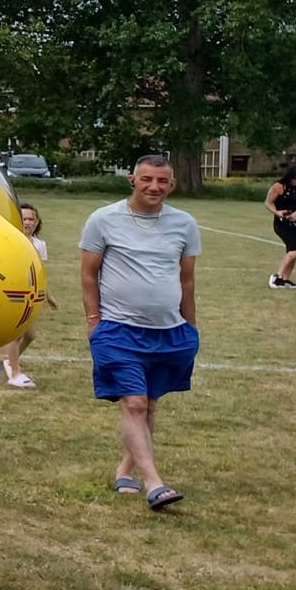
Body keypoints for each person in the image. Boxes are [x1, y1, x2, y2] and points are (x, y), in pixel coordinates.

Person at [78, 155, 201, 510]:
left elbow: (187, 279)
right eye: (147, 179)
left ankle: (125, 469)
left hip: (170, 332)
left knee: (149, 404)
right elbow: (88, 275)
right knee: (134, 402)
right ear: (132, 179)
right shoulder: (103, 220)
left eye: (162, 181)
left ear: (172, 184)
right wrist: (93, 321)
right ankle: (154, 483)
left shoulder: (184, 224)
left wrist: (190, 328)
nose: (154, 187)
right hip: (117, 329)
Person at [0, 202, 58, 387]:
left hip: (31, 296)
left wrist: (48, 296)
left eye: (31, 219)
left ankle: (8, 360)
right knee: (16, 335)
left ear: (37, 221)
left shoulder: (40, 245)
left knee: (30, 335)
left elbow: (40, 272)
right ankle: (15, 374)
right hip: (13, 294)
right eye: (24, 219)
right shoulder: (10, 241)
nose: (28, 222)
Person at [265, 163, 296, 288]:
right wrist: (277, 212)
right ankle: (277, 277)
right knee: (295, 251)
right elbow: (268, 203)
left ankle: (285, 279)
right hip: (283, 223)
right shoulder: (279, 186)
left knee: (293, 251)